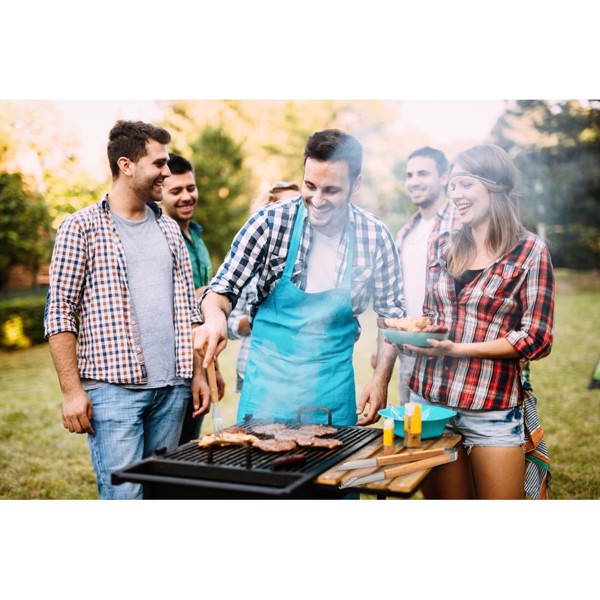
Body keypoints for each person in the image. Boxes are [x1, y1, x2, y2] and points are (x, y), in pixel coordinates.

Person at [44, 120, 210, 499]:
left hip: (172, 390)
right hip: (112, 392)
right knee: (126, 498)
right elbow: (60, 313)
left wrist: (198, 374)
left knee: (161, 494)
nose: (166, 172)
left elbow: (190, 311)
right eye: (159, 164)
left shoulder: (169, 229)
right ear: (126, 165)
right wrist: (72, 392)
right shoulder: (79, 228)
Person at [195, 129, 405, 426]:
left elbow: (391, 317)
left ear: (355, 185)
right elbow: (220, 291)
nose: (317, 200)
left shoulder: (375, 236)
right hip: (266, 392)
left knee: (333, 473)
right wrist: (215, 319)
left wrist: (381, 379)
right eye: (310, 186)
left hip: (331, 395)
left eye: (331, 190)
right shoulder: (269, 222)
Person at [404, 143, 555, 500]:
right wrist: (415, 335)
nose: (456, 195)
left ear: (495, 185)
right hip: (429, 403)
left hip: (490, 407)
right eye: (453, 185)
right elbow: (433, 317)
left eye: (465, 184)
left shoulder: (530, 251)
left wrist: (458, 349)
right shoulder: (441, 244)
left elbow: (537, 338)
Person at [371, 146, 460, 404]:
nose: (414, 182)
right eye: (409, 175)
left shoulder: (461, 224)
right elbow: (392, 298)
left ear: (444, 177)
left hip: (446, 350)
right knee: (411, 429)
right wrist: (384, 347)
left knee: (446, 434)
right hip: (407, 349)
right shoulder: (406, 233)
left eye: (423, 173)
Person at [159, 152, 225, 443]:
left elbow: (206, 315)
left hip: (200, 365)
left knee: (188, 448)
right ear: (160, 192)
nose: (186, 197)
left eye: (190, 188)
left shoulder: (197, 239)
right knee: (166, 455)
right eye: (176, 191)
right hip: (172, 369)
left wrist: (214, 370)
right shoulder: (159, 237)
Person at [227, 180, 300, 392]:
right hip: (254, 371)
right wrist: (261, 317)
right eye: (284, 207)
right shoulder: (248, 265)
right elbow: (229, 324)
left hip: (297, 374)